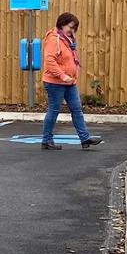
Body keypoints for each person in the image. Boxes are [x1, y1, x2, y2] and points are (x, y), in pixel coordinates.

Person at [40, 11, 100, 150]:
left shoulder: (68, 41)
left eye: (74, 28)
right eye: (70, 27)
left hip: (69, 82)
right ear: (62, 24)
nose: (72, 30)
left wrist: (70, 76)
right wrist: (62, 75)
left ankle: (85, 139)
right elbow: (49, 61)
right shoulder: (54, 39)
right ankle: (46, 140)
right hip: (55, 82)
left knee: (76, 109)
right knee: (54, 110)